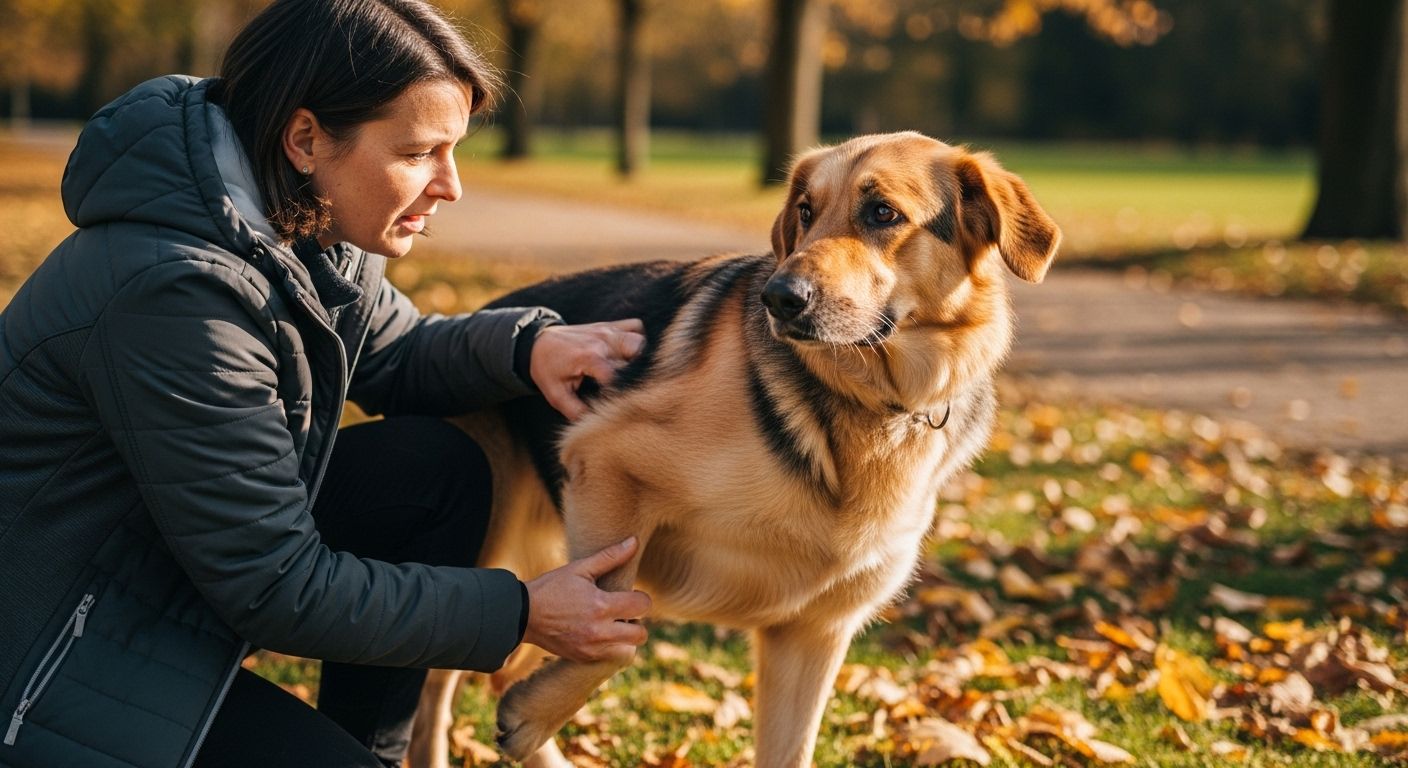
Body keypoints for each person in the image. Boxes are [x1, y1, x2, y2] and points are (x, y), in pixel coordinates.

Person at [0, 1, 652, 766]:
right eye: (419, 152)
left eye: (455, 151)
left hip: (161, 580)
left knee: (433, 470)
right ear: (306, 138)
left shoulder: (294, 222)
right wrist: (519, 611)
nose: (451, 186)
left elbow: (398, 355)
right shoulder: (174, 294)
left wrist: (528, 347)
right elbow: (279, 589)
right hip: (50, 660)